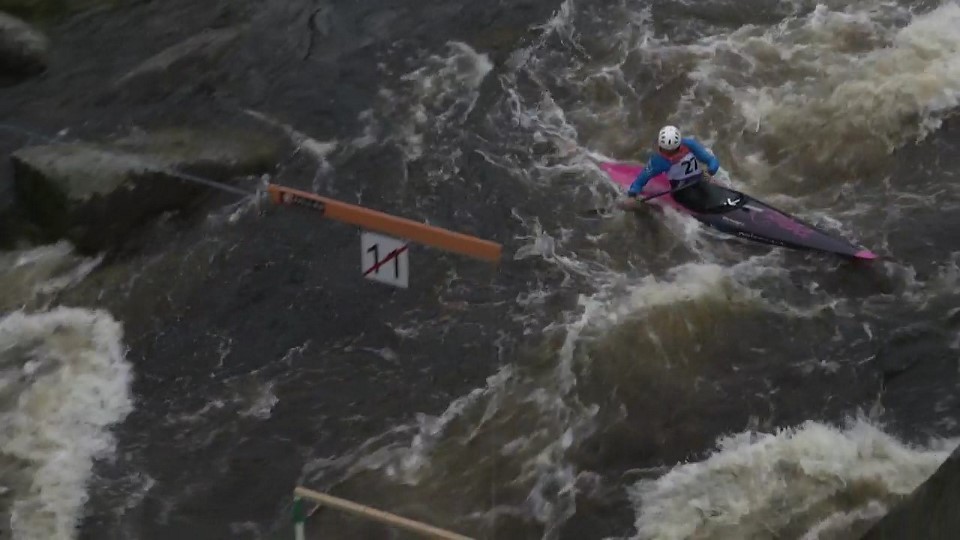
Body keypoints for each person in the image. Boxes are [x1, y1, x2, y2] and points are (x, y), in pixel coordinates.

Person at [618, 125, 721, 211]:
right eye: (665, 150)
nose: (668, 154)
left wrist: (710, 171)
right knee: (700, 202)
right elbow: (642, 179)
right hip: (681, 190)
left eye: (671, 151)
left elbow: (711, 160)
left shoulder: (690, 145)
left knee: (713, 194)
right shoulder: (659, 161)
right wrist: (632, 194)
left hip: (699, 181)